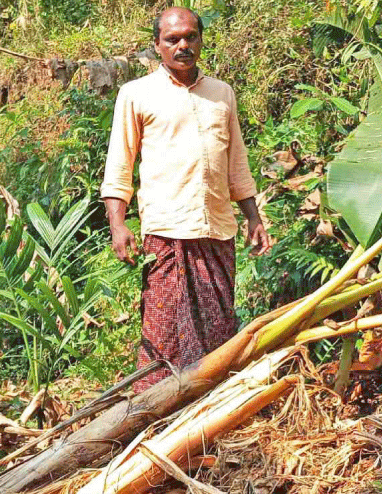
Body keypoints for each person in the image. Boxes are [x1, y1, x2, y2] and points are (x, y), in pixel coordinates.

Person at [100, 6, 271, 392]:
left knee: (219, 329)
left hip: (216, 231)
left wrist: (253, 217)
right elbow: (119, 167)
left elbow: (236, 163)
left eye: (190, 37)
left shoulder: (221, 94)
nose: (183, 46)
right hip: (166, 233)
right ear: (156, 45)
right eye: (172, 39)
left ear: (201, 40)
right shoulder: (136, 95)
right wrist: (118, 224)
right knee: (163, 336)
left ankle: (213, 409)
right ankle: (154, 414)